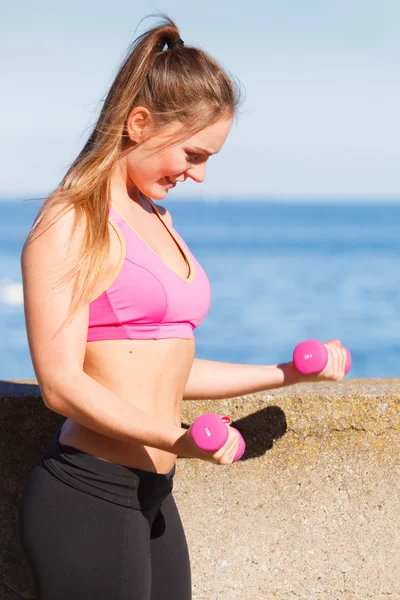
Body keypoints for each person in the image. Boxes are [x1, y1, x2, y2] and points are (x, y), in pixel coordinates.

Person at [17, 14, 348, 600]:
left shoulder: (158, 220)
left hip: (154, 497)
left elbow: (165, 370)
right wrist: (179, 438)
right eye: (192, 155)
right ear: (139, 123)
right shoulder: (72, 221)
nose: (198, 175)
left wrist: (290, 372)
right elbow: (62, 385)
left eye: (208, 159)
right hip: (90, 494)